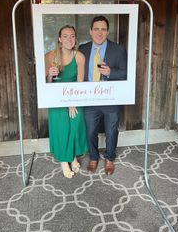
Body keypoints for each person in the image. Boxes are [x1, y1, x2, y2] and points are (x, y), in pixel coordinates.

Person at [79, 15, 127, 175]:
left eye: (103, 29)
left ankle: (110, 158)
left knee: (111, 131)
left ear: (107, 32)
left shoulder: (118, 50)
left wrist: (110, 72)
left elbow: (126, 73)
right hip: (89, 98)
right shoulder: (83, 49)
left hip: (111, 98)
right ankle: (93, 157)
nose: (100, 33)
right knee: (90, 129)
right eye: (96, 29)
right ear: (90, 31)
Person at [45, 25, 88, 178]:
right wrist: (49, 75)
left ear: (75, 38)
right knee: (62, 126)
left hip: (74, 95)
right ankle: (64, 161)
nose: (69, 39)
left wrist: (72, 101)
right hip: (56, 97)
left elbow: (80, 83)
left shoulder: (79, 56)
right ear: (59, 39)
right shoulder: (50, 56)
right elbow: (47, 85)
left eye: (72, 36)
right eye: (65, 36)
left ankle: (72, 155)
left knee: (75, 123)